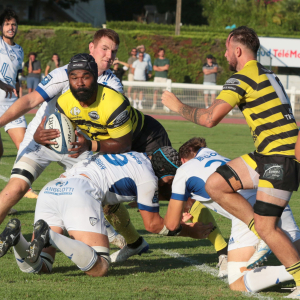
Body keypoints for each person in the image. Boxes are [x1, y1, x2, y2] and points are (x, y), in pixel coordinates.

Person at [161, 26, 300, 298]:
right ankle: (261, 235)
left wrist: (176, 106)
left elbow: (209, 119)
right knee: (216, 184)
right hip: (266, 155)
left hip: (279, 157)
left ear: (237, 50)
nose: (225, 55)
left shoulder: (241, 78)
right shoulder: (267, 73)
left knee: (267, 226)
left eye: (226, 49)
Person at [0, 29, 126, 248]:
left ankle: (111, 230)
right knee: (16, 188)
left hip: (78, 146)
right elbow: (30, 101)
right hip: (42, 140)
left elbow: (113, 131)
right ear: (92, 48)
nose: (109, 56)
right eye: (104, 49)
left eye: (113, 51)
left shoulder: (113, 86)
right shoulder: (64, 73)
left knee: (102, 188)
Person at [0, 148, 214, 274]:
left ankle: (17, 237)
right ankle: (52, 237)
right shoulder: (149, 178)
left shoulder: (135, 156)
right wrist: (189, 232)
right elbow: (152, 225)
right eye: (170, 179)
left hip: (52, 189)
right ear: (163, 172)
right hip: (79, 192)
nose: (171, 183)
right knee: (100, 266)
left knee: (39, 266)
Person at [166, 137, 300, 295]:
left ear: (183, 160)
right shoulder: (220, 158)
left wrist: (185, 226)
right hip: (271, 197)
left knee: (237, 281)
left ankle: (290, 271)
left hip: (245, 212)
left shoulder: (183, 170)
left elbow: (171, 224)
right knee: (295, 251)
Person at [0, 9, 37, 201]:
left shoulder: (20, 49)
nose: (11, 27)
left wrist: (17, 90)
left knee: (24, 145)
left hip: (11, 104)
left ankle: (25, 187)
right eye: (7, 24)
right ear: (1, 27)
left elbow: (16, 77)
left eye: (13, 24)